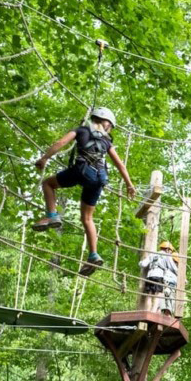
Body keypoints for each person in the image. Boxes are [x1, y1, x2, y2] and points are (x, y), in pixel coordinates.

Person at [33, 108, 137, 276]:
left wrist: (44, 158)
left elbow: (60, 143)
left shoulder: (81, 130)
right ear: (106, 123)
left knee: (48, 184)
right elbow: (120, 164)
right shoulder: (107, 141)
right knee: (87, 218)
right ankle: (93, 254)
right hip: (99, 179)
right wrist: (129, 184)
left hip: (82, 171)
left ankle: (52, 215)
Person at [140, 240, 179, 316]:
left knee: (149, 295)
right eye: (170, 251)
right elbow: (173, 267)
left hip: (149, 275)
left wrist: (140, 263)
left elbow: (143, 264)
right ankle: (153, 312)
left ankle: (148, 312)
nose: (170, 253)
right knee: (159, 295)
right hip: (159, 275)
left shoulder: (153, 254)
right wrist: (180, 275)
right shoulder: (167, 256)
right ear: (167, 249)